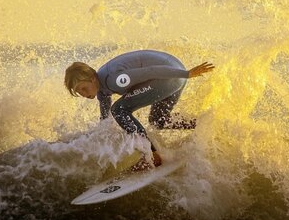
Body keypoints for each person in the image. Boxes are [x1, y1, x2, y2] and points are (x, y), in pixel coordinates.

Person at [64, 49, 214, 170]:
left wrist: (187, 74)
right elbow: (105, 123)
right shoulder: (102, 91)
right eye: (79, 92)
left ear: (92, 78)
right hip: (172, 75)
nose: (83, 94)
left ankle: (151, 156)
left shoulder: (114, 79)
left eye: (83, 88)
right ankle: (203, 124)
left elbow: (149, 71)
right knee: (158, 121)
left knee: (119, 110)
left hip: (170, 75)